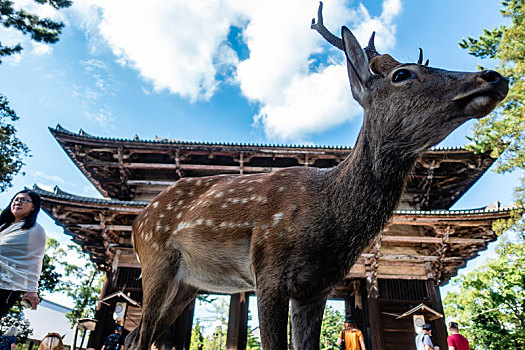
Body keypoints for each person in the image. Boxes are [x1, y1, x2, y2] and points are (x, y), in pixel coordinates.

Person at [0, 190, 46, 318]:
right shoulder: (3, 225)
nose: (18, 202)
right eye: (16, 199)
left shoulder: (35, 230)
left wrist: (32, 290)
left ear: (33, 207)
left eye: (24, 200)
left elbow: (35, 261)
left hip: (7, 284)